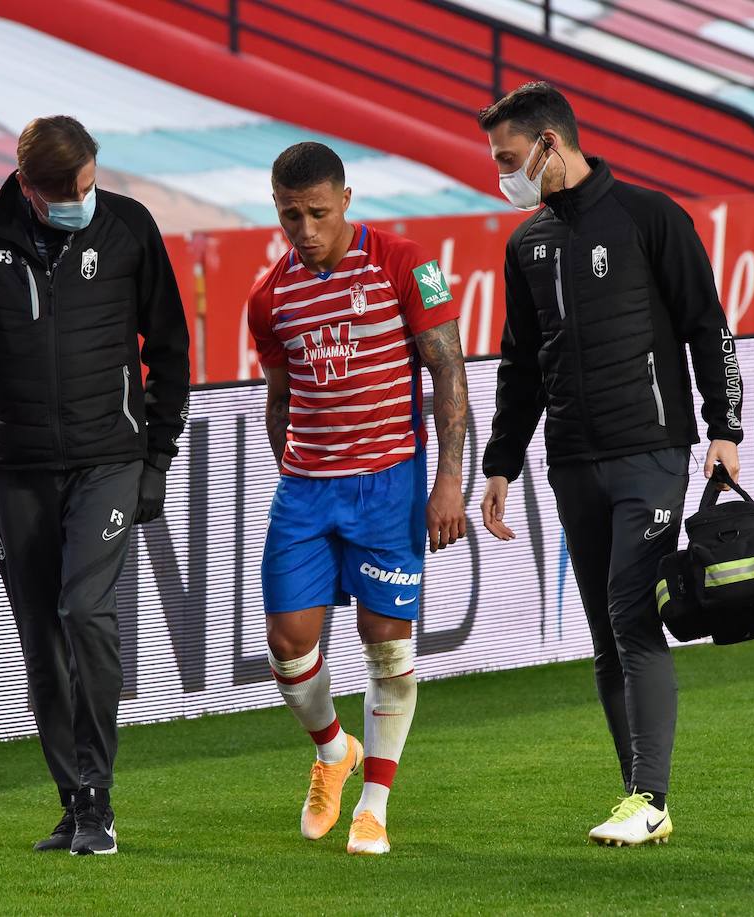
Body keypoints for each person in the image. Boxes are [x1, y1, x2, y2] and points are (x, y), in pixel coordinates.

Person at [0, 115, 190, 856]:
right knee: (41, 640)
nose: (82, 200)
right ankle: (72, 800)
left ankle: (97, 798)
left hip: (109, 460)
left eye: (89, 185)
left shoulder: (130, 228)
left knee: (84, 610)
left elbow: (169, 348)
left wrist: (156, 457)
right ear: (26, 184)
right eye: (66, 192)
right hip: (17, 468)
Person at [476, 82, 745, 846]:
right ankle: (636, 795)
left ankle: (651, 797)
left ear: (549, 144)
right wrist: (501, 462)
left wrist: (725, 427)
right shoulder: (526, 243)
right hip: (573, 465)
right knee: (605, 635)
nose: (503, 172)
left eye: (508, 157)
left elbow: (708, 328)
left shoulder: (650, 218)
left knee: (632, 615)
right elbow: (521, 364)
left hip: (652, 453)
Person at [246, 142, 469, 856]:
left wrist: (449, 480)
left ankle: (374, 803)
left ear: (346, 199)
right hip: (307, 491)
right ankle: (332, 751)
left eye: (316, 212)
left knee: (388, 649)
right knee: (287, 642)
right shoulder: (268, 297)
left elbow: (449, 375)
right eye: (290, 216)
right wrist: (289, 465)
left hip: (389, 486)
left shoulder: (407, 263)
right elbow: (279, 397)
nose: (305, 229)